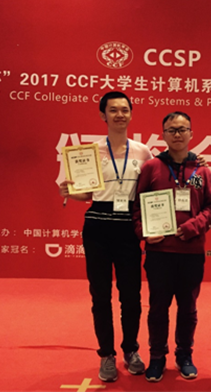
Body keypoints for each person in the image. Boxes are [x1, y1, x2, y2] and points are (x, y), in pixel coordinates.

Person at [58, 91, 150, 382]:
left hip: (128, 228)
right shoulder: (89, 152)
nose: (119, 115)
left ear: (131, 114)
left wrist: (195, 163)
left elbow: (156, 185)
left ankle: (131, 350)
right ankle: (106, 354)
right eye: (113, 110)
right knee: (100, 294)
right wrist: (69, 191)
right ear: (103, 115)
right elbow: (85, 193)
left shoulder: (143, 152)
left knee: (131, 295)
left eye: (124, 110)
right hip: (97, 226)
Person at [132, 111, 211, 383]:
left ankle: (184, 355)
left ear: (191, 134)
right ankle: (157, 356)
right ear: (164, 135)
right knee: (158, 308)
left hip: (191, 252)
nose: (177, 134)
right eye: (172, 130)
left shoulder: (202, 170)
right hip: (159, 253)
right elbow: (136, 206)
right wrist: (144, 232)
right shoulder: (151, 167)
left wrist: (193, 226)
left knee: (188, 308)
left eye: (182, 129)